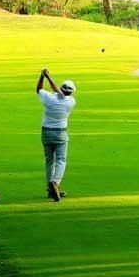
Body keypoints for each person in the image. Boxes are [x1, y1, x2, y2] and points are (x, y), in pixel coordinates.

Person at [36, 68, 76, 202]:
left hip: (46, 132)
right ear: (71, 92)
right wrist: (49, 77)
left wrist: (44, 77)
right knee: (61, 160)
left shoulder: (49, 98)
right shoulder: (71, 102)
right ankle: (55, 183)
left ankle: (50, 189)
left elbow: (39, 90)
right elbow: (60, 92)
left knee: (49, 161)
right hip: (60, 133)